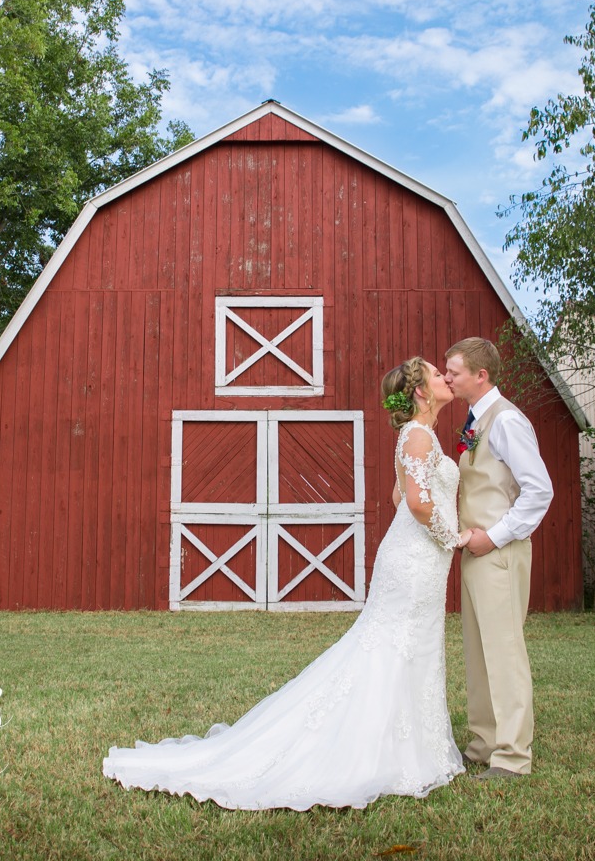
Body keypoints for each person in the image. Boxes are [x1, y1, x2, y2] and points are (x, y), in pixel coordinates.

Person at [103, 357, 467, 810]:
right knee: (396, 645)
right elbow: (413, 502)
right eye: (436, 374)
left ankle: (411, 743)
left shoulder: (418, 437)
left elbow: (397, 495)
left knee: (408, 646)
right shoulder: (416, 435)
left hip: (417, 558)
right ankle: (388, 750)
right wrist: (457, 536)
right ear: (420, 392)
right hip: (414, 560)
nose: (444, 379)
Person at [444, 337, 553, 779]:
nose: (447, 377)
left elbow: (539, 490)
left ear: (480, 375)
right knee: (478, 650)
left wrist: (494, 536)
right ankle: (484, 741)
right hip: (475, 553)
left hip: (499, 552)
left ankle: (512, 755)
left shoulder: (507, 421)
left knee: (504, 652)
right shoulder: (476, 419)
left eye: (453, 371)